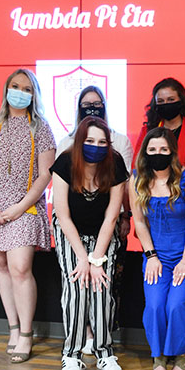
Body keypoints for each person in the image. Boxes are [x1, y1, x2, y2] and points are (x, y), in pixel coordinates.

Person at [0, 68, 56, 363]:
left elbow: (45, 175)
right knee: (2, 264)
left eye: (27, 88)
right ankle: (13, 327)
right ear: (6, 89)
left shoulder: (41, 128)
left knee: (20, 267)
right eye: (15, 86)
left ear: (34, 95)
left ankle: (26, 334)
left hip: (26, 208)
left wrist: (19, 208)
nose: (20, 92)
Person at [57, 85, 134, 354]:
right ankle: (72, 353)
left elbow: (112, 215)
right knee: (76, 287)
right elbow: (62, 215)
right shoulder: (65, 159)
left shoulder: (115, 162)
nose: (96, 146)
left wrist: (97, 259)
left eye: (102, 142)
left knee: (102, 285)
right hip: (71, 230)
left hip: (104, 229)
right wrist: (82, 257)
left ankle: (104, 352)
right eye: (90, 141)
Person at [130, 127, 185, 370]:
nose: (157, 154)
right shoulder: (136, 179)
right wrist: (151, 256)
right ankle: (159, 357)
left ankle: (183, 356)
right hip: (156, 257)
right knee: (154, 305)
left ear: (172, 151)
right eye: (152, 150)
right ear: (145, 152)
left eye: (163, 149)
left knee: (175, 305)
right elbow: (139, 223)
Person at [132, 77, 185, 172]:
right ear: (155, 105)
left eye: (171, 99)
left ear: (181, 101)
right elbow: (136, 167)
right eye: (160, 101)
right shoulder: (147, 131)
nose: (166, 104)